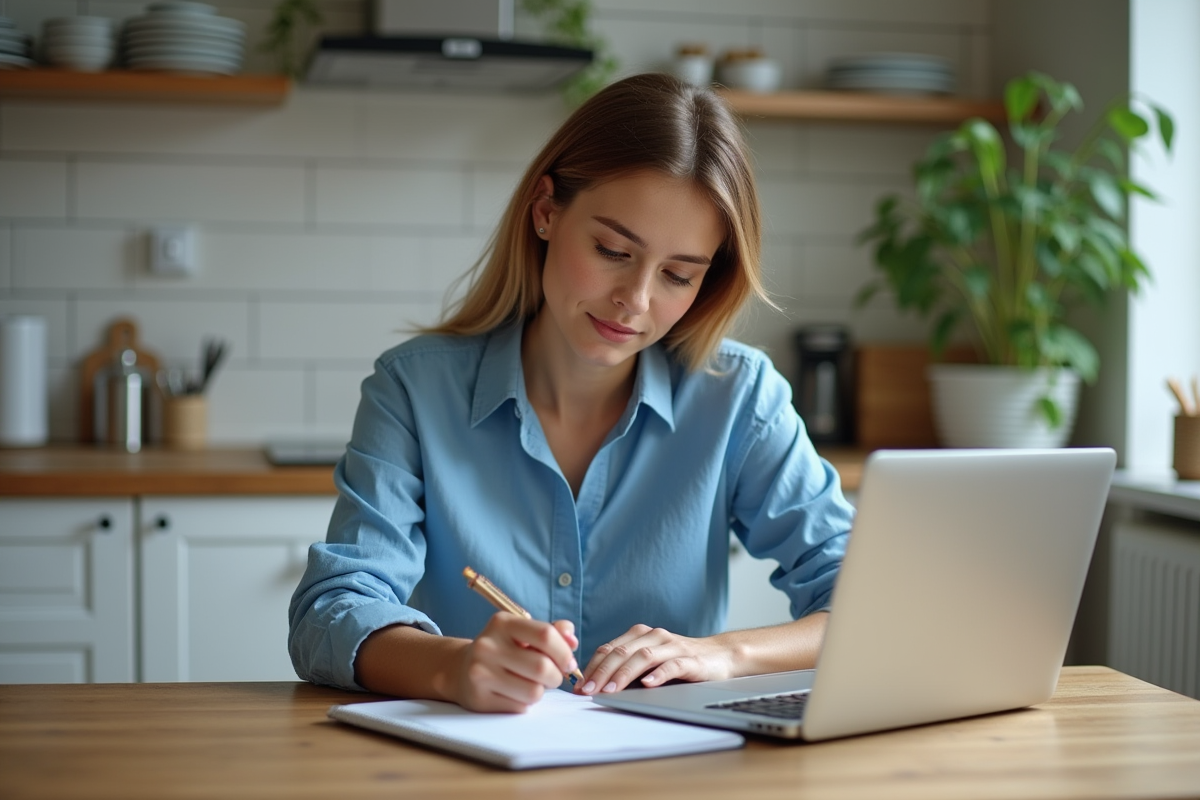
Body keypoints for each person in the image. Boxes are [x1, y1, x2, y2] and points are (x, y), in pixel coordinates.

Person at [288, 72, 854, 713]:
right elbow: (329, 613)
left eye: (677, 274)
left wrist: (725, 654)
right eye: (613, 250)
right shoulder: (415, 388)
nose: (635, 302)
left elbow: (871, 603)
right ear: (547, 211)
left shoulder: (740, 397)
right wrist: (456, 667)